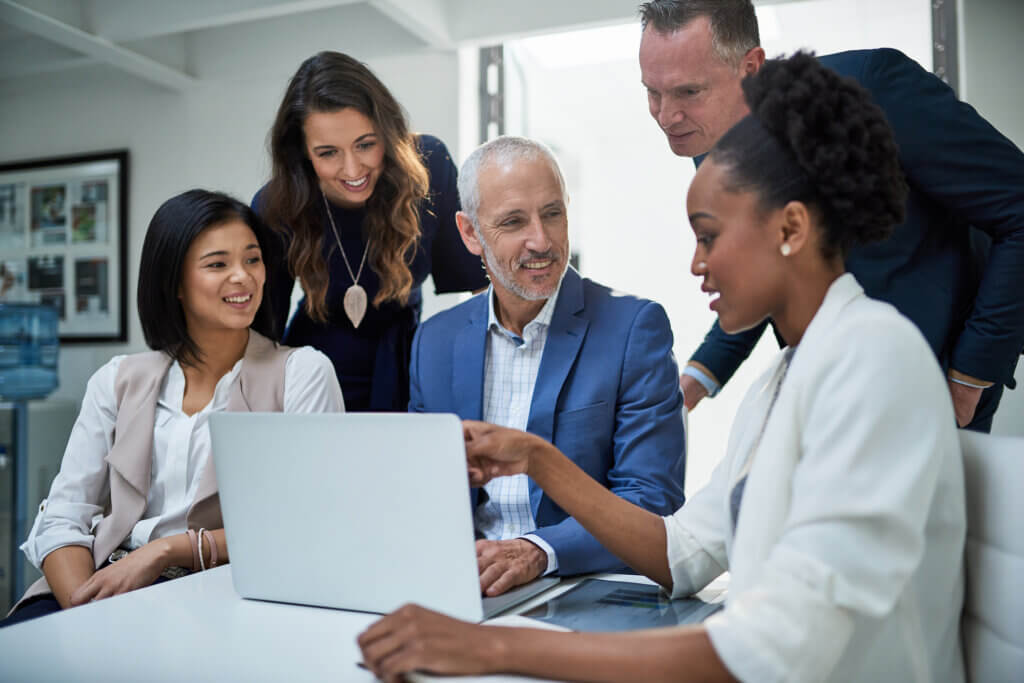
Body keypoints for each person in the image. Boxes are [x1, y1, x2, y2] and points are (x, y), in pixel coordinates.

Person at [357, 53, 966, 683]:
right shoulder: (780, 384)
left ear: (790, 227)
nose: (697, 265)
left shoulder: (875, 358)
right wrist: (537, 458)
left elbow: (782, 645)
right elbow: (683, 555)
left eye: (708, 236)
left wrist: (497, 650)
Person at [637, 0, 1024, 432]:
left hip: (935, 381)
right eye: (652, 92)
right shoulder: (708, 139)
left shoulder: (872, 91)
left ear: (750, 68)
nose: (666, 117)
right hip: (833, 388)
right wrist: (691, 385)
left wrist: (968, 378)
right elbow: (772, 267)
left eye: (689, 92)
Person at [1, 190, 344, 627]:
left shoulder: (302, 372)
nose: (243, 277)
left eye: (253, 260)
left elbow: (307, 525)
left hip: (221, 595)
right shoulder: (117, 379)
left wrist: (166, 549)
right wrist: (82, 613)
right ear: (175, 284)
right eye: (218, 264)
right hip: (98, 584)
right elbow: (65, 517)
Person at [408, 136, 685, 596]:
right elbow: (422, 492)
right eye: (514, 221)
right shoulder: (434, 341)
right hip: (465, 586)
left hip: (579, 586)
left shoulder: (634, 328)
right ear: (470, 233)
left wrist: (537, 550)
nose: (541, 240)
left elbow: (651, 502)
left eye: (553, 214)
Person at [253, 51, 488, 412]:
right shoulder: (276, 204)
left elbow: (480, 293)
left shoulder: (429, 166)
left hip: (406, 369)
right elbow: (259, 337)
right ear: (302, 152)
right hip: (309, 379)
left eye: (366, 144)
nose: (352, 169)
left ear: (388, 131)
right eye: (328, 153)